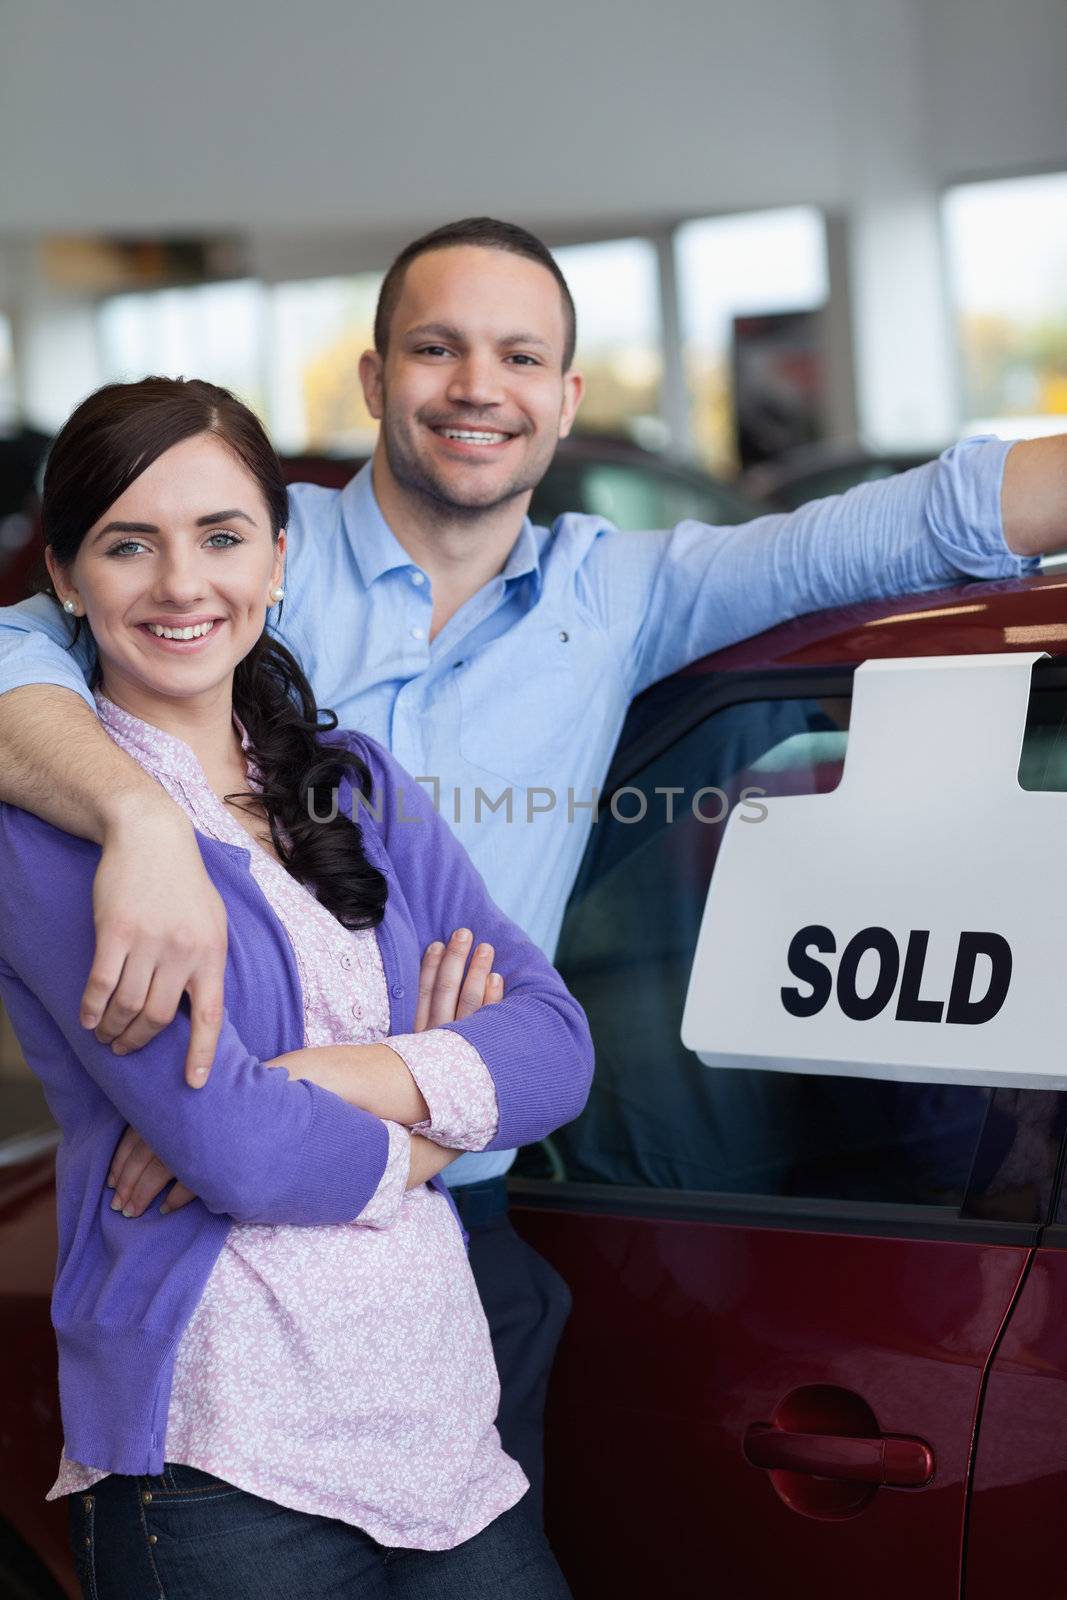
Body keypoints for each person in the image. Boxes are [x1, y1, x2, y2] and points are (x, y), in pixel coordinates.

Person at [1, 216, 1066, 1515]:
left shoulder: (619, 596)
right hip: (216, 1246)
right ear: (375, 377)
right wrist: (141, 820)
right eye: (436, 347)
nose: (475, 387)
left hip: (469, 1211)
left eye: (518, 355)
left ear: (564, 397)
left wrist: (304, 1090)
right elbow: (20, 648)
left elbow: (907, 527)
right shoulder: (241, 556)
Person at [0, 378, 591, 1598]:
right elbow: (246, 1154)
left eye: (221, 536)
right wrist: (433, 1117)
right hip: (221, 1455)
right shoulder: (48, 836)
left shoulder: (352, 781)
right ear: (63, 575)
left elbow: (557, 1043)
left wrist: (321, 1079)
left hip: (439, 1432)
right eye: (128, 543)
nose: (181, 584)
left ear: (276, 556)